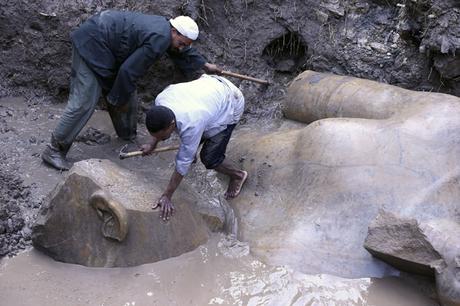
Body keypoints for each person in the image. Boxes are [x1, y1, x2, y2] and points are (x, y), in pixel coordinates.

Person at [41, 10, 221, 171]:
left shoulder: (166, 30)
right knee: (84, 102)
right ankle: (54, 150)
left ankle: (126, 137)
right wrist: (115, 98)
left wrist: (204, 65)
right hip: (92, 43)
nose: (180, 48)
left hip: (107, 47)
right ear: (174, 31)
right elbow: (128, 71)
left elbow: (181, 51)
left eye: (185, 45)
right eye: (181, 43)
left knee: (126, 93)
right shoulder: (160, 38)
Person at [142, 74, 248, 221]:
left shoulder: (191, 122)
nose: (160, 139)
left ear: (172, 124)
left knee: (209, 158)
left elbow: (181, 164)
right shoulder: (161, 101)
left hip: (231, 101)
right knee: (190, 143)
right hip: (209, 89)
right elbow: (159, 124)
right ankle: (192, 149)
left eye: (161, 136)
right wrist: (152, 144)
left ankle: (238, 175)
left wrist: (167, 195)